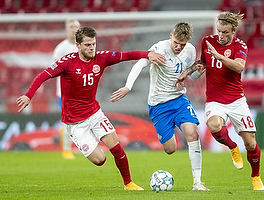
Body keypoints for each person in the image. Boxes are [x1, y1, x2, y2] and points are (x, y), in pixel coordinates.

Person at [16, 26, 166, 190]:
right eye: (87, 45)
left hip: (94, 113)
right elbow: (43, 75)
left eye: (93, 44)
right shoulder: (67, 62)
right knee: (99, 160)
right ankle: (86, 143)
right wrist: (28, 95)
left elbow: (126, 55)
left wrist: (147, 54)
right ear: (78, 45)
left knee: (115, 146)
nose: (92, 48)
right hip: (75, 122)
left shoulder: (101, 58)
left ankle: (128, 183)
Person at [110, 22, 209, 191]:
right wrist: (128, 86)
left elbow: (190, 76)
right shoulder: (159, 48)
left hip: (179, 100)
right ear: (171, 35)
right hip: (158, 105)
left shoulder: (190, 50)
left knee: (192, 133)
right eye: (176, 42)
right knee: (170, 149)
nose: (178, 47)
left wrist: (198, 71)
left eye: (182, 44)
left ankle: (197, 183)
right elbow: (140, 64)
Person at [174, 11, 264, 190]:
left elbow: (240, 66)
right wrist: (188, 72)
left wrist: (220, 56)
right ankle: (232, 147)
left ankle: (255, 176)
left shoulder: (240, 46)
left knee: (251, 143)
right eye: (219, 31)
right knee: (214, 125)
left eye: (225, 32)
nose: (221, 35)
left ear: (233, 31)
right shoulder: (207, 41)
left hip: (237, 100)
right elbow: (202, 63)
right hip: (215, 100)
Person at [53, 19, 80, 159]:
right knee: (69, 121)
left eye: (76, 26)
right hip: (65, 93)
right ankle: (67, 150)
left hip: (83, 91)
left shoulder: (83, 46)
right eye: (71, 26)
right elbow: (54, 70)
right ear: (66, 29)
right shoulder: (61, 49)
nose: (74, 29)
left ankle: (84, 146)